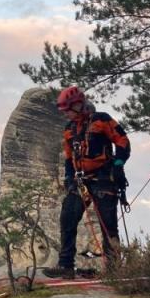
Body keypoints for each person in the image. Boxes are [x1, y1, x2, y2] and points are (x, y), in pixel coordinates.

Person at [44, 85, 129, 279]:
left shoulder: (102, 120)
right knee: (68, 217)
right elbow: (68, 157)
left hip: (104, 179)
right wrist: (68, 177)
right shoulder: (69, 129)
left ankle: (114, 269)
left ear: (79, 104)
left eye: (68, 109)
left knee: (108, 224)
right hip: (81, 180)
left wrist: (118, 163)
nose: (65, 114)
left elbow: (123, 141)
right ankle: (66, 265)